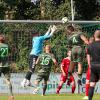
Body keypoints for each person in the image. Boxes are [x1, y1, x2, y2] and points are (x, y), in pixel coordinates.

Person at [87, 30, 100, 100]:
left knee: (92, 84)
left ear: (94, 36)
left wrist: (89, 64)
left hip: (93, 65)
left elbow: (88, 55)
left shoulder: (90, 45)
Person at [0, 34, 14, 100]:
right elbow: (8, 54)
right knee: (8, 81)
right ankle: (11, 95)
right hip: (6, 65)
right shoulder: (6, 46)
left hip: (0, 65)